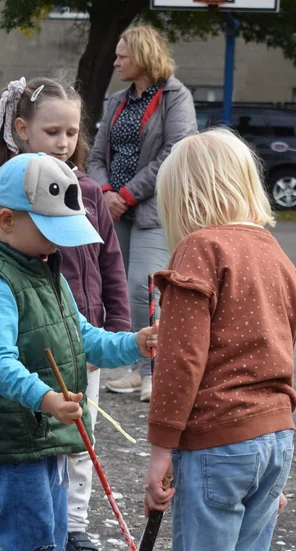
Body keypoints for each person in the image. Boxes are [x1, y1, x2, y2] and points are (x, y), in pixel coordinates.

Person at [0, 152, 157, 551]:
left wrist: (132, 344)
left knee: (50, 536)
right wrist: (45, 398)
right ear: (6, 220)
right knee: (29, 537)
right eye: (50, 232)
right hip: (16, 436)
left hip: (47, 433)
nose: (58, 245)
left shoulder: (46, 272)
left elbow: (84, 338)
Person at [143, 129, 296, 551]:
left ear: (184, 198)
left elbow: (180, 362)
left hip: (216, 443)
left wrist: (160, 451)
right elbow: (283, 353)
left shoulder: (200, 250)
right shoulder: (274, 252)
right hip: (274, 437)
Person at [0, 76, 130, 551]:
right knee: (40, 445)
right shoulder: (13, 196)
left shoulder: (91, 194)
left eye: (72, 132)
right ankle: (42, 534)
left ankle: (72, 529)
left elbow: (111, 264)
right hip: (35, 349)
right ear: (22, 131)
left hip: (83, 338)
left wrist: (123, 329)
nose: (65, 142)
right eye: (53, 131)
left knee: (80, 439)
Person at [88, 24, 197, 402]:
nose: (116, 62)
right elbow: (97, 154)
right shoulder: (117, 100)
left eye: (123, 56)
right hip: (114, 210)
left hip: (154, 209)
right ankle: (141, 367)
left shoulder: (175, 96)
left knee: (143, 286)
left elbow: (175, 152)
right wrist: (105, 193)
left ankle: (157, 372)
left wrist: (127, 195)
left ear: (144, 57)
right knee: (118, 289)